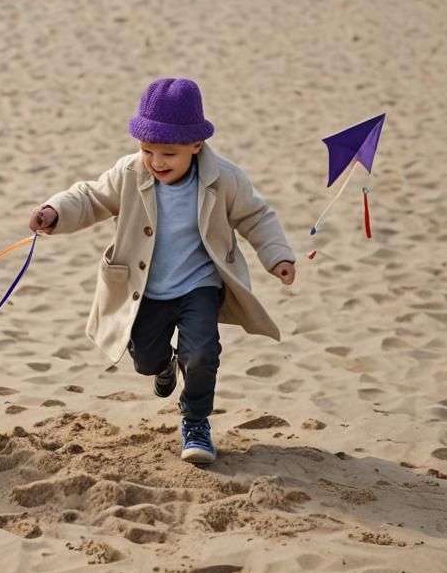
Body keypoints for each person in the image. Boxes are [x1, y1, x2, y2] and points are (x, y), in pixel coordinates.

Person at [28, 77, 295, 465]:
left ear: (196, 145)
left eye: (168, 153)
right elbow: (90, 197)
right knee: (145, 359)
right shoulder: (130, 172)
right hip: (146, 288)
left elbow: (256, 216)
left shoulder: (225, 178)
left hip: (199, 286)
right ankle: (164, 366)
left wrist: (278, 257)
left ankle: (196, 421)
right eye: (147, 150)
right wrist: (54, 212)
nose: (156, 162)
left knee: (202, 354)